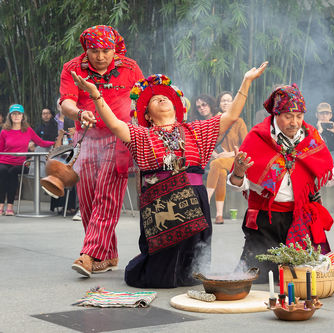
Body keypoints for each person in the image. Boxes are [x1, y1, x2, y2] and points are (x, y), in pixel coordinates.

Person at [72, 61, 268, 287]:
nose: (162, 99)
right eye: (155, 99)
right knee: (158, 273)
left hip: (195, 199)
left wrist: (246, 81)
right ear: (147, 113)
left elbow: (231, 116)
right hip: (160, 204)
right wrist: (96, 94)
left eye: (165, 98)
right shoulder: (142, 135)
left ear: (176, 107)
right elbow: (115, 125)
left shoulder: (196, 130)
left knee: (193, 267)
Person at [228, 84, 334, 282]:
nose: (294, 122)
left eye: (299, 116)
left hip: (299, 221)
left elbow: (324, 177)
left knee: (306, 278)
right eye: (288, 116)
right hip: (265, 223)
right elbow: (241, 184)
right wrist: (238, 173)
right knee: (258, 278)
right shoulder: (257, 137)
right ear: (276, 114)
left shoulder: (311, 138)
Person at [59, 25, 144, 277]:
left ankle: (89, 254)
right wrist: (79, 113)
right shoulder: (72, 67)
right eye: (95, 51)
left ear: (114, 48)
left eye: (106, 50)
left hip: (118, 138)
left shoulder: (130, 67)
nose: (101, 56)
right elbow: (66, 102)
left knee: (106, 195)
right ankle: (108, 255)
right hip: (85, 137)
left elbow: (143, 97)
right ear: (86, 49)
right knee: (86, 201)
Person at [0, 104, 56, 216]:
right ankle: (1, 205)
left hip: (21, 163)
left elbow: (41, 142)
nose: (16, 116)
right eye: (14, 114)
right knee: (3, 171)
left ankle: (10, 206)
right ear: (10, 116)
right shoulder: (4, 131)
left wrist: (56, 143)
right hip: (5, 161)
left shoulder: (28, 130)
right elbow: (0, 149)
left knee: (12, 172)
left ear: (22, 116)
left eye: (19, 114)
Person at [206, 91, 248, 224]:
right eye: (223, 100)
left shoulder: (239, 122)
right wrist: (214, 154)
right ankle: (219, 215)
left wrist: (229, 154)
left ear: (233, 103)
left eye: (229, 100)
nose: (226, 103)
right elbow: (207, 142)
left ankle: (204, 205)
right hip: (218, 158)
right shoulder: (214, 120)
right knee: (221, 173)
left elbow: (246, 145)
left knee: (216, 164)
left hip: (234, 159)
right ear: (219, 103)